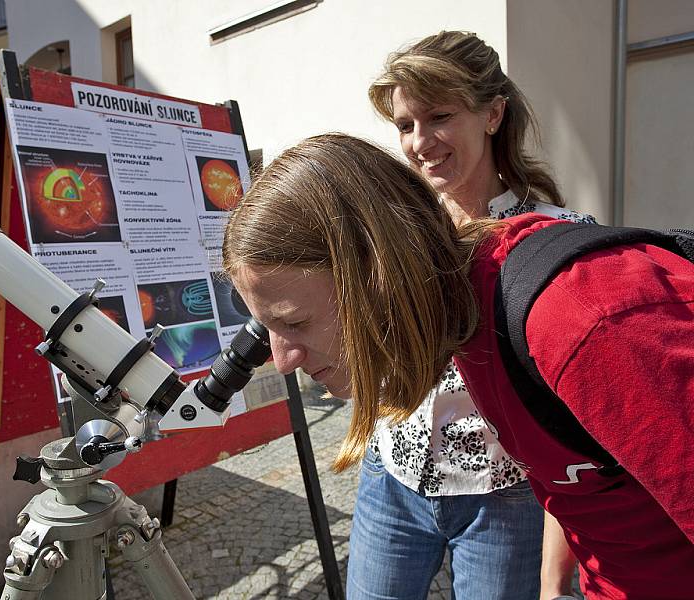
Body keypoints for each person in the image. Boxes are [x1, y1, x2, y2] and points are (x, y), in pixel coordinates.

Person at [222, 132, 694, 600]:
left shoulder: (580, 320)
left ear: (380, 273)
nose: (283, 360)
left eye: (295, 322)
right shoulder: (473, 328)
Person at [341, 30, 594, 599]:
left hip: (506, 496)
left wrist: (557, 576)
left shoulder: (558, 238)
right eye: (405, 125)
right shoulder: (396, 230)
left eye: (437, 116)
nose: (419, 141)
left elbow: (573, 416)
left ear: (493, 114)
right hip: (392, 478)